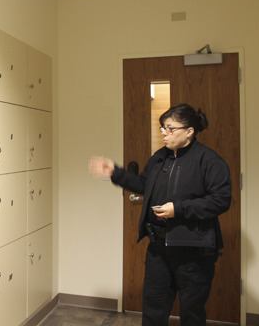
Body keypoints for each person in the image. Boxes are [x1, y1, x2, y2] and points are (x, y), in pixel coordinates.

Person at [89, 103, 231, 326]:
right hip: (159, 249)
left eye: (170, 128)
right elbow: (145, 184)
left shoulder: (209, 161)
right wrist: (116, 173)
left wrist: (178, 209)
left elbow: (220, 200)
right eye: (162, 128)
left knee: (192, 313)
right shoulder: (159, 158)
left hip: (194, 251)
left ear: (189, 131)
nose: (164, 133)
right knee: (153, 309)